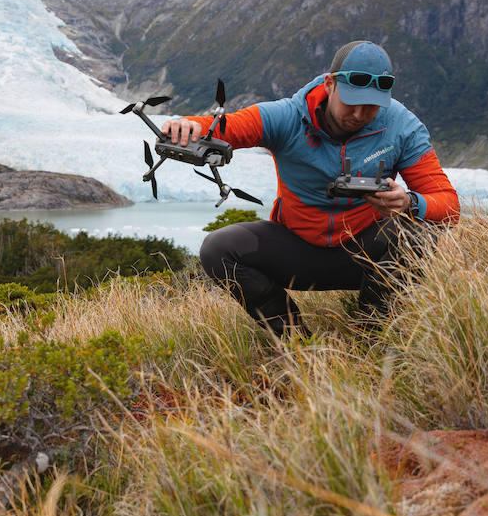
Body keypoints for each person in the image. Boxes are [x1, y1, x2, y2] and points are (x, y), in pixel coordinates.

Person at [161, 40, 460, 334]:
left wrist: (409, 202)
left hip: (363, 252)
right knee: (218, 249)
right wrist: (187, 125)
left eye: (371, 108)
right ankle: (294, 339)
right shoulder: (289, 115)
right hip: (297, 249)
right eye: (352, 103)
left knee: (423, 236)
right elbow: (228, 128)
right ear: (330, 84)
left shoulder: (402, 126)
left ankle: (371, 331)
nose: (359, 115)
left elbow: (448, 205)